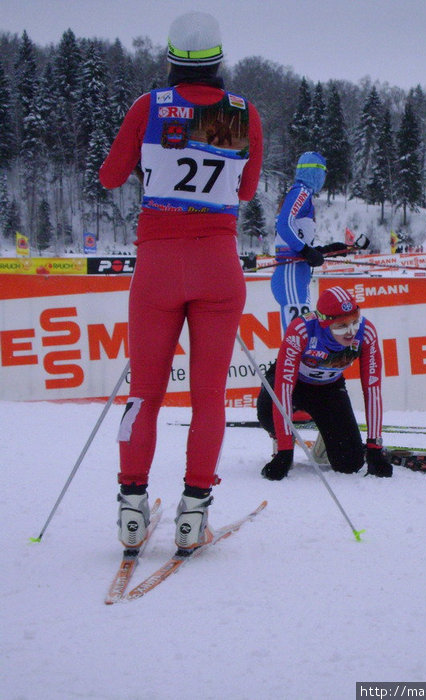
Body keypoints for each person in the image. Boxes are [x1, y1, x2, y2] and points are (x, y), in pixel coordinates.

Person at [99, 12, 263, 554]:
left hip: (158, 267)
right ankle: (194, 512)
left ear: (170, 58)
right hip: (218, 266)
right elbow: (244, 192)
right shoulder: (240, 113)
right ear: (219, 60)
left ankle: (130, 509)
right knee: (209, 396)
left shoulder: (149, 107)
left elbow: (110, 175)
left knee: (143, 394)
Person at [256, 286, 393, 480]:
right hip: (294, 384)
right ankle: (281, 436)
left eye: (355, 322)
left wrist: (375, 446)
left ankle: (327, 440)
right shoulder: (301, 330)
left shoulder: (366, 332)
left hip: (328, 388)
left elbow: (372, 389)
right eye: (341, 326)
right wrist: (285, 452)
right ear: (323, 323)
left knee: (350, 464)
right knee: (266, 412)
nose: (350, 332)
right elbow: (283, 389)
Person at [270, 152, 345, 331]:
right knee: (299, 334)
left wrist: (323, 250)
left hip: (298, 271)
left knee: (304, 333)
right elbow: (283, 225)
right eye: (324, 172)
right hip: (291, 270)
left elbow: (296, 235)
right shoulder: (301, 191)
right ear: (316, 172)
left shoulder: (305, 195)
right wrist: (306, 251)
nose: (325, 178)